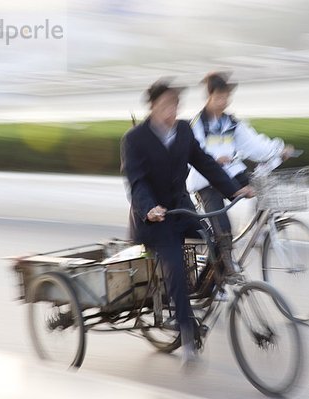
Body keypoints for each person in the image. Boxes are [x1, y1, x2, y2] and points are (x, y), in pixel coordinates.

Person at [120, 79, 251, 364]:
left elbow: (204, 162)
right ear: (153, 105)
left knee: (217, 242)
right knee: (176, 268)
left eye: (176, 104)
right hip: (155, 219)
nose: (172, 109)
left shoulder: (182, 131)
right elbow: (137, 181)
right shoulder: (135, 139)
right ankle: (187, 332)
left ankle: (206, 292)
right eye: (167, 104)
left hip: (182, 210)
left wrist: (233, 189)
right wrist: (149, 208)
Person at [186, 72, 294, 272]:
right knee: (223, 229)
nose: (223, 102)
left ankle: (261, 230)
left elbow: (253, 143)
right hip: (205, 179)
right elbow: (194, 152)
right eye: (219, 97)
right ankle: (219, 273)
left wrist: (278, 149)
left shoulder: (232, 123)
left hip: (231, 172)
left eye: (226, 97)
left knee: (262, 186)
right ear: (209, 97)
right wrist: (213, 159)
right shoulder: (196, 125)